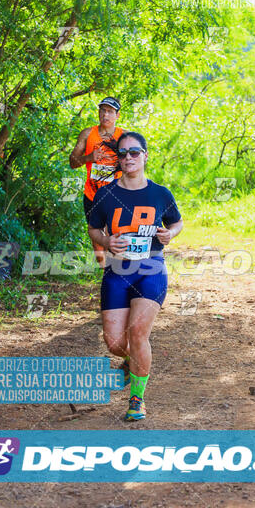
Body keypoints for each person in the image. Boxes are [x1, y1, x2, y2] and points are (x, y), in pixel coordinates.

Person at [88, 132, 183, 421]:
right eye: (123, 153)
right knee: (115, 343)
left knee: (139, 333)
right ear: (118, 158)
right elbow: (94, 230)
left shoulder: (160, 194)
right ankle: (133, 360)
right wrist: (106, 242)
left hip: (151, 269)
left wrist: (169, 234)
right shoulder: (105, 194)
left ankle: (137, 400)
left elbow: (176, 223)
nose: (128, 157)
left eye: (134, 152)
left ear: (145, 155)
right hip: (117, 271)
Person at [69, 97, 126, 266]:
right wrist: (89, 157)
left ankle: (115, 268)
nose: (105, 114)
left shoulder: (124, 136)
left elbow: (133, 163)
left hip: (115, 193)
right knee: (96, 236)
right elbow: (72, 162)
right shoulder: (88, 134)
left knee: (114, 232)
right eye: (103, 110)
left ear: (117, 115)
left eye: (110, 111)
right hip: (92, 194)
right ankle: (104, 270)